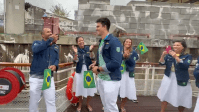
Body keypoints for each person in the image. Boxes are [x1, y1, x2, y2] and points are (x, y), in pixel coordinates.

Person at [90, 17, 123, 112]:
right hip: (101, 79)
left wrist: (99, 69)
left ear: (104, 27)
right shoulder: (102, 41)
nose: (96, 28)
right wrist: (95, 64)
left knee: (111, 107)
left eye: (98, 26)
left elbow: (116, 63)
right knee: (106, 106)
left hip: (111, 79)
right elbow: (103, 58)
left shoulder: (114, 41)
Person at [29, 28, 59, 112]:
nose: (50, 33)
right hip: (36, 77)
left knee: (51, 101)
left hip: (48, 77)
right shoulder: (37, 43)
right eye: (48, 32)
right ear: (42, 35)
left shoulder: (55, 46)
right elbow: (36, 49)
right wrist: (50, 40)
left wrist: (55, 66)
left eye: (51, 32)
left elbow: (57, 59)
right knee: (33, 102)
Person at [157, 40, 192, 112]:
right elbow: (162, 63)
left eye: (178, 45)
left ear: (183, 47)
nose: (175, 46)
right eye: (174, 45)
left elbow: (185, 66)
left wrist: (176, 57)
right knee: (165, 95)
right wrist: (163, 55)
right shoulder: (169, 55)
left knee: (181, 97)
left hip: (181, 78)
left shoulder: (188, 56)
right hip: (169, 77)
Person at [72, 36, 96, 112]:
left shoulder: (88, 48)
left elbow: (93, 58)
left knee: (90, 87)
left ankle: (88, 104)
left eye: (82, 40)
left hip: (88, 70)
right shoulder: (76, 50)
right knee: (79, 87)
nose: (81, 42)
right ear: (77, 43)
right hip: (79, 71)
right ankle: (80, 104)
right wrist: (76, 53)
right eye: (79, 41)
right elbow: (75, 61)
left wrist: (91, 51)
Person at [119, 38, 139, 112]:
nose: (128, 43)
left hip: (127, 72)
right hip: (118, 72)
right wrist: (122, 56)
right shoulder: (118, 50)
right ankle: (112, 105)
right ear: (124, 43)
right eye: (126, 41)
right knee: (115, 89)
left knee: (127, 89)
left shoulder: (133, 52)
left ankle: (122, 106)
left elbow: (133, 63)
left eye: (129, 42)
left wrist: (127, 58)